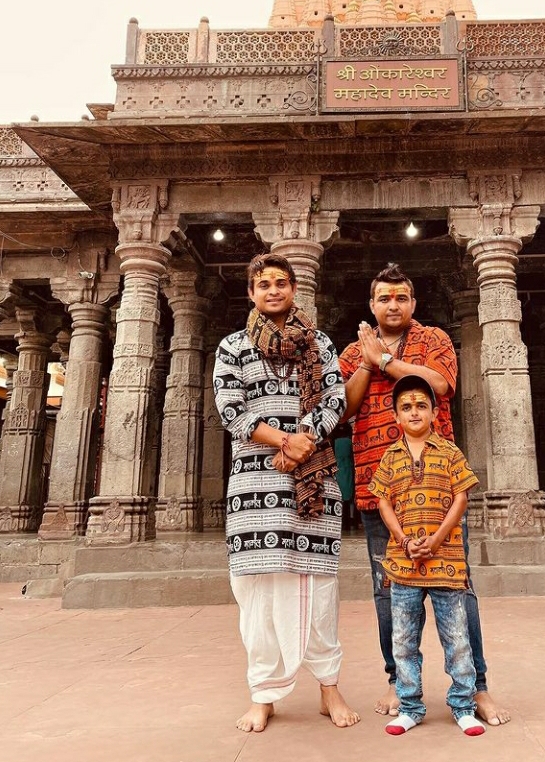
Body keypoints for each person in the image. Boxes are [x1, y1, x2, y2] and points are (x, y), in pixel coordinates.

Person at [339, 263, 509, 725]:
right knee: (387, 592)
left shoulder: (433, 340)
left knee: (459, 588)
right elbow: (344, 410)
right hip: (382, 490)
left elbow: (440, 386)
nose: (392, 305)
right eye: (383, 298)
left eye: (401, 297)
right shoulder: (355, 350)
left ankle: (477, 688)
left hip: (438, 488)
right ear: (371, 305)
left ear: (412, 303)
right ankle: (398, 683)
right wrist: (366, 360)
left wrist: (387, 363)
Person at [213, 254, 360, 733]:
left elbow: (335, 398)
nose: (273, 290)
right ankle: (264, 693)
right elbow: (231, 409)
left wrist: (305, 442)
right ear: (251, 293)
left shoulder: (319, 343)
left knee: (317, 590)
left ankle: (328, 689)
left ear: (294, 289)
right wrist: (284, 440)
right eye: (263, 284)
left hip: (311, 482)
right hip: (255, 485)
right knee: (257, 593)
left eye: (281, 282)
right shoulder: (232, 346)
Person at [370, 375, 486, 737]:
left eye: (422, 404)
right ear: (395, 417)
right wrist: (404, 541)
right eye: (406, 407)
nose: (414, 411)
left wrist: (435, 541)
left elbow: (461, 498)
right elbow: (383, 501)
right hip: (403, 564)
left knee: (456, 638)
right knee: (404, 640)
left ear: (435, 412)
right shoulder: (389, 457)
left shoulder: (450, 452)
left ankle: (463, 705)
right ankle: (409, 706)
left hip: (446, 563)